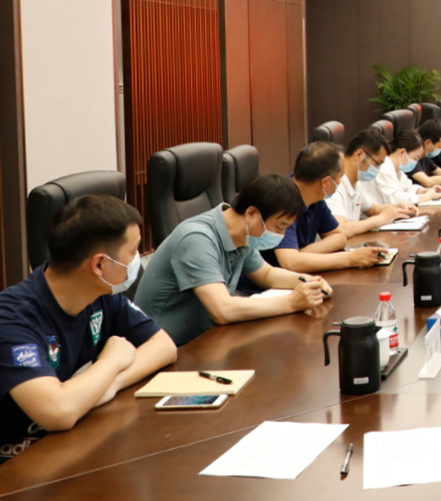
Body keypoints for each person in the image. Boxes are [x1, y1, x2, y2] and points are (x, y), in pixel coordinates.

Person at [0, 195, 177, 471]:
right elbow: (59, 411)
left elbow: (164, 346)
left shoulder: (100, 295)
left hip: (52, 451)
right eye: (133, 252)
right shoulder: (8, 321)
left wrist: (110, 383)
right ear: (99, 265)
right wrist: (112, 361)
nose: (136, 261)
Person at [133, 174, 332, 347]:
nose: (281, 235)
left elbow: (266, 274)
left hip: (207, 339)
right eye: (279, 227)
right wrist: (292, 302)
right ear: (251, 213)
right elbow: (223, 309)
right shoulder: (197, 239)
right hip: (169, 349)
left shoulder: (243, 234)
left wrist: (309, 281)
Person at [270, 142, 394, 278]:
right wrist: (349, 259)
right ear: (326, 182)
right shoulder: (282, 201)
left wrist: (304, 253)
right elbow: (290, 263)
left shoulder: (316, 199)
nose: (340, 182)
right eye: (341, 177)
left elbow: (339, 236)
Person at [326, 130, 410, 231]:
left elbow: (373, 209)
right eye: (377, 163)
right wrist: (381, 219)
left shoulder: (356, 183)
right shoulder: (334, 185)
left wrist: (399, 207)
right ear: (359, 155)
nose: (378, 169)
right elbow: (339, 228)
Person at [364, 130, 441, 207]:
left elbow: (408, 188)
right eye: (415, 158)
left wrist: (424, 191)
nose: (416, 162)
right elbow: (396, 199)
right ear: (402, 152)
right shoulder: (384, 167)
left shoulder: (397, 169)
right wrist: (427, 196)